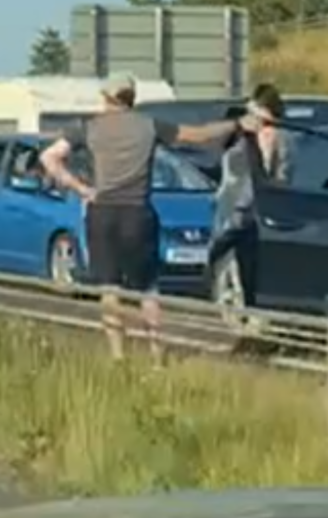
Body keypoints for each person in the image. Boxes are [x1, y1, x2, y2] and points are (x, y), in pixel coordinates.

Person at [39, 73, 258, 360]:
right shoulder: (150, 126)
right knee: (148, 289)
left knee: (109, 289)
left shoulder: (88, 128)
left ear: (106, 97)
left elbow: (49, 158)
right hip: (137, 212)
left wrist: (81, 188)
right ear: (132, 98)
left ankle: (118, 355)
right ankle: (156, 354)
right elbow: (198, 135)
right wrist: (237, 124)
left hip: (102, 212)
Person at [209, 84, 293, 321]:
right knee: (224, 259)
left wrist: (265, 134)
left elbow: (275, 175)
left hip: (255, 208)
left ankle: (249, 310)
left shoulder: (277, 136)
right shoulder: (238, 133)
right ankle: (230, 307)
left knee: (250, 263)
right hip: (230, 204)